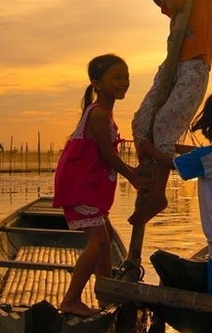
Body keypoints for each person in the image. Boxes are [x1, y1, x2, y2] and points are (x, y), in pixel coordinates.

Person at [130, 0, 212, 227]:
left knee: (164, 127)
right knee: (141, 123)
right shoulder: (173, 3)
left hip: (195, 65)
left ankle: (158, 193)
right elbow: (175, 0)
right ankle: (148, 169)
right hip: (171, 67)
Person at [52, 54, 150, 318]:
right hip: (80, 186)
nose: (124, 82)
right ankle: (70, 300)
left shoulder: (105, 113)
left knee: (105, 241)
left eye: (126, 77)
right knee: (98, 240)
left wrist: (134, 171)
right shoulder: (98, 114)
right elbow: (108, 155)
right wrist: (134, 177)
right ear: (97, 84)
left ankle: (106, 291)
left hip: (89, 186)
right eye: (117, 77)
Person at [144, 88, 212, 298]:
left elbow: (170, 164)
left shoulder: (207, 158)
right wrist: (176, 146)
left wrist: (148, 148)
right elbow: (200, 155)